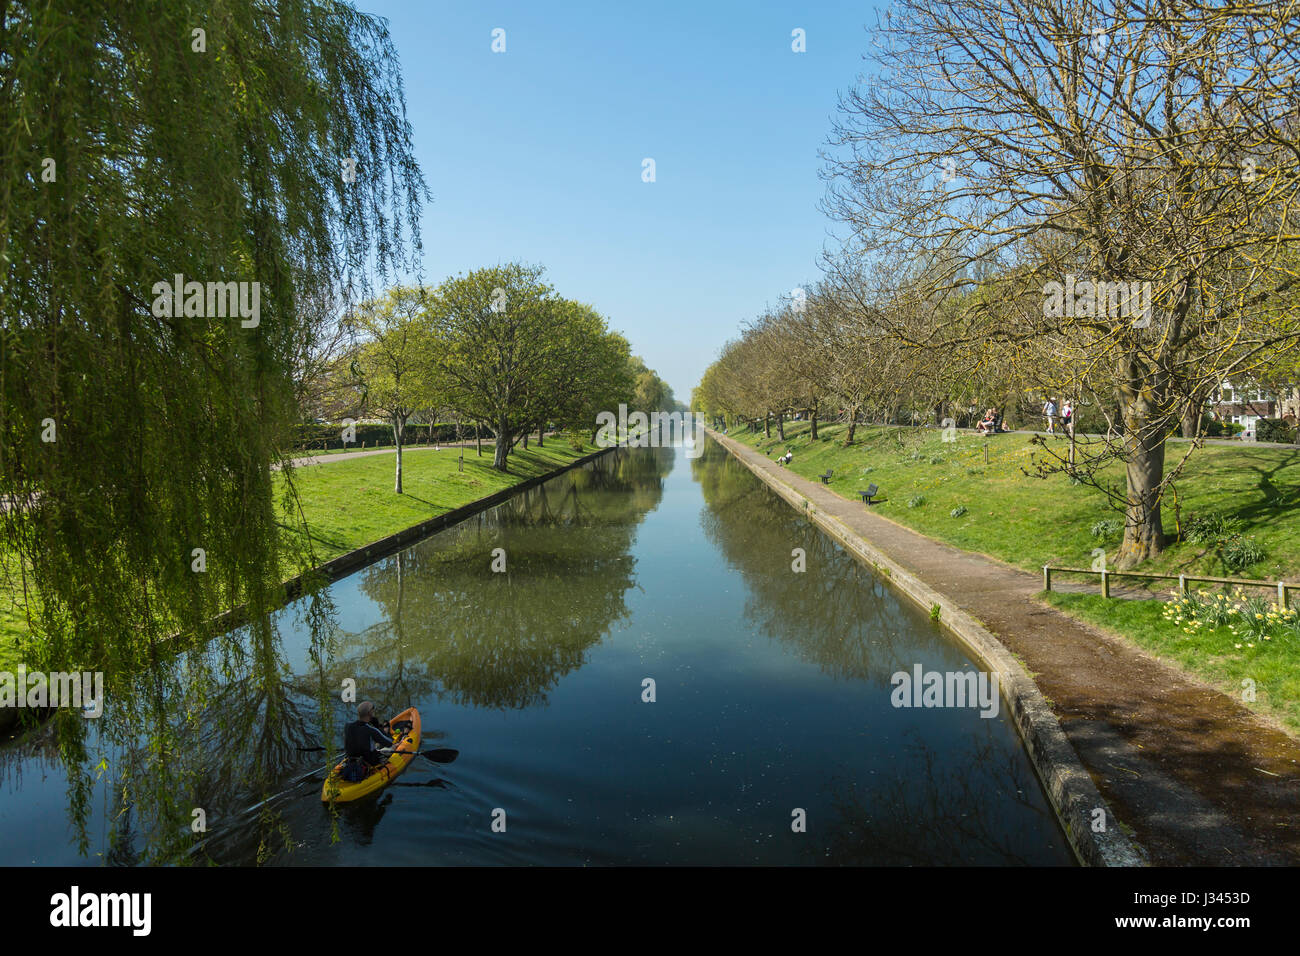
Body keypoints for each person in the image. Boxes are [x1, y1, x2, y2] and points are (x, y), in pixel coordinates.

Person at [343, 701, 394, 775]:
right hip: (369, 762)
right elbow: (389, 742)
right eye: (373, 711)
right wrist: (378, 727)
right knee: (393, 747)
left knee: (373, 745)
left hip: (352, 759)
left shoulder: (347, 726)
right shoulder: (371, 730)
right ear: (370, 713)